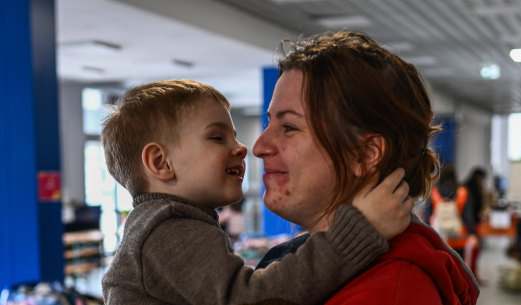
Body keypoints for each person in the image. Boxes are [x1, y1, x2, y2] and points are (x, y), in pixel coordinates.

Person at [100, 79, 413, 305]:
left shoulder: (162, 225)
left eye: (233, 136)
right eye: (216, 138)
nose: (243, 148)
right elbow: (253, 299)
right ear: (160, 162)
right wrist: (358, 231)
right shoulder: (168, 229)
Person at [253, 31, 479, 304]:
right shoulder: (310, 265)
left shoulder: (390, 290)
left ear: (366, 154)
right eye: (269, 124)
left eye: (289, 127)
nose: (259, 146)